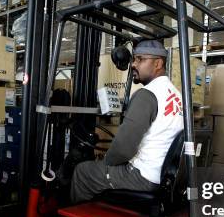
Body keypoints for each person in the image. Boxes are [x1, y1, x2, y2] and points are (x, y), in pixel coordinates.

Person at [70, 40, 184, 203]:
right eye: (134, 59)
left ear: (158, 63)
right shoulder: (176, 95)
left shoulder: (147, 95)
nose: (133, 65)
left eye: (140, 59)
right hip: (162, 173)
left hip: (143, 176)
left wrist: (107, 162)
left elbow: (123, 149)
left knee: (83, 171)